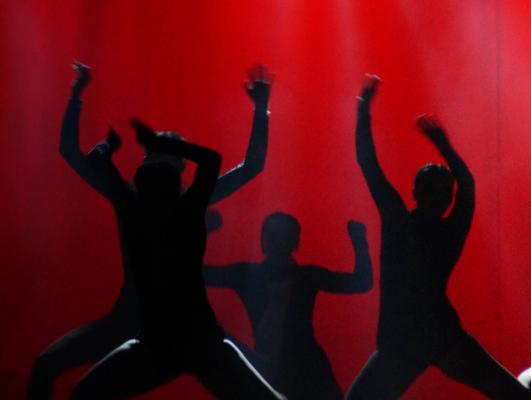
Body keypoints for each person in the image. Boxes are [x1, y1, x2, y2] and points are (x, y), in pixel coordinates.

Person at [29, 62, 272, 400]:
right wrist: (261, 108)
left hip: (178, 332)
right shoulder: (154, 200)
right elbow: (250, 165)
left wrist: (77, 96)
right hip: (149, 326)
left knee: (57, 372)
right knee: (52, 369)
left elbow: (74, 153)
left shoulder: (142, 201)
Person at [346, 76, 531, 399]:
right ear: (422, 193)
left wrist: (363, 109)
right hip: (412, 338)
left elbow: (370, 164)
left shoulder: (415, 224)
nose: (439, 194)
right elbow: (464, 184)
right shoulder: (426, 226)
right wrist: (442, 145)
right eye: (436, 188)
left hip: (429, 335)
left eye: (443, 189)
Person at [70, 119, 282, 399]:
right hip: (186, 341)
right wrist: (162, 145)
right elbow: (210, 160)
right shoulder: (188, 209)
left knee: (85, 393)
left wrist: (109, 145)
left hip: (167, 343)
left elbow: (96, 161)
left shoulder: (133, 210)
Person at [204, 213, 373, 399]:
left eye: (282, 237)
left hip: (305, 369)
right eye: (272, 236)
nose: (276, 243)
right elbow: (362, 281)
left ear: (294, 242)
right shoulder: (296, 275)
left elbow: (362, 282)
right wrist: (359, 239)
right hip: (279, 368)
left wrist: (359, 240)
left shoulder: (299, 276)